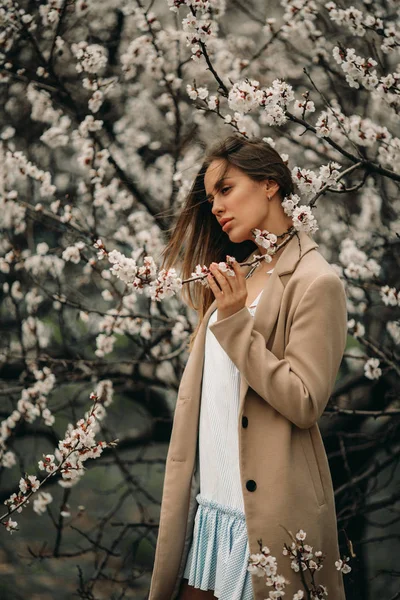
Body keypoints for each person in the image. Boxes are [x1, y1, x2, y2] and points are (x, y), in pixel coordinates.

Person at [149, 135, 348, 600]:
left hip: (264, 516)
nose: (215, 206)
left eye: (226, 189)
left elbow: (304, 401)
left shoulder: (316, 281)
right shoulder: (242, 267)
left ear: (270, 185)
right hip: (211, 508)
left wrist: (237, 321)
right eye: (210, 196)